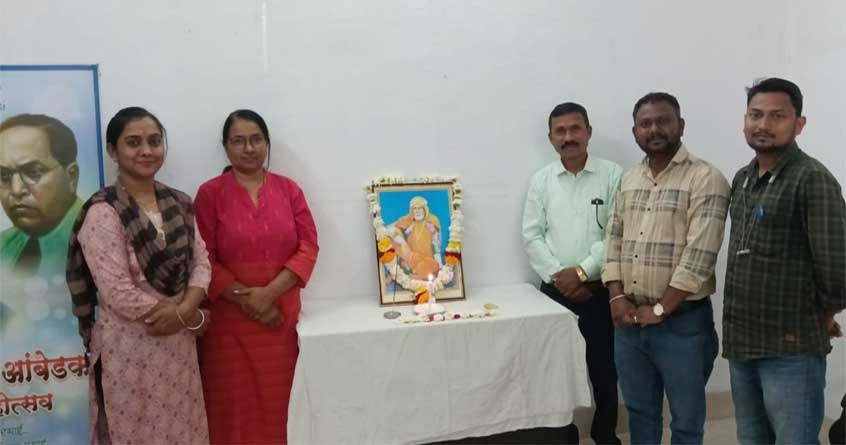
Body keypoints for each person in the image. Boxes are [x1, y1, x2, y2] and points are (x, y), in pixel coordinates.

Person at [66, 107, 212, 444]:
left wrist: (185, 310)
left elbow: (201, 263)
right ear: (112, 150)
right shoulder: (103, 212)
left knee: (182, 429)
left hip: (178, 345)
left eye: (154, 141)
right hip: (130, 349)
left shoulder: (179, 203)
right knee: (135, 432)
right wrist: (183, 315)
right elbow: (117, 291)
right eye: (133, 143)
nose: (147, 150)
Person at [723, 77, 846, 445]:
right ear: (745, 120)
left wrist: (824, 312)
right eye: (755, 114)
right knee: (752, 438)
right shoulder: (744, 178)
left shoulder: (812, 179)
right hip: (742, 340)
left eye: (777, 116)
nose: (763, 124)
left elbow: (838, 267)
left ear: (799, 124)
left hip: (791, 346)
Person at [602, 92, 730, 444]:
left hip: (682, 325)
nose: (654, 129)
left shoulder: (706, 178)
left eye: (663, 121)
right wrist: (616, 297)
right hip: (629, 323)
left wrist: (659, 309)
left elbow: (699, 256)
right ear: (635, 132)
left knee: (686, 421)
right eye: (645, 124)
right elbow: (613, 239)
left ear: (681, 125)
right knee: (640, 414)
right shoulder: (629, 179)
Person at [195, 109, 319, 444]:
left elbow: (308, 247)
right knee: (234, 411)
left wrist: (268, 295)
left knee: (283, 410)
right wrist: (249, 300)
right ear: (225, 147)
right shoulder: (210, 194)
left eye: (256, 139)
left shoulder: (289, 190)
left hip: (281, 323)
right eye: (238, 141)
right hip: (228, 328)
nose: (249, 148)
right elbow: (203, 258)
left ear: (266, 143)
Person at [523, 102, 623, 444]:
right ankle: (564, 436)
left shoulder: (613, 175)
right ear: (551, 138)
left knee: (605, 370)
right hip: (555, 292)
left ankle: (605, 434)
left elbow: (617, 233)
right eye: (560, 131)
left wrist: (581, 272)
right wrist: (560, 277)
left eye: (575, 129)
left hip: (599, 290)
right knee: (557, 371)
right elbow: (532, 236)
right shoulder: (542, 180)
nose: (568, 137)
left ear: (588, 132)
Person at [0, 114, 83, 275]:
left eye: (33, 172)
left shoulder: (101, 236)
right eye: (4, 176)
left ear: (71, 176)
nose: (16, 190)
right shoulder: (3, 245)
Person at [390, 195, 442, 280]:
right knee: (394, 233)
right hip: (410, 258)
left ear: (425, 209)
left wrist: (440, 265)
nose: (417, 211)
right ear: (412, 211)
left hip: (427, 260)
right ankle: (409, 272)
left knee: (429, 267)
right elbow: (391, 228)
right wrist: (398, 236)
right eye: (415, 208)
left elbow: (436, 246)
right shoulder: (408, 220)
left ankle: (415, 275)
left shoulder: (432, 221)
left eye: (420, 208)